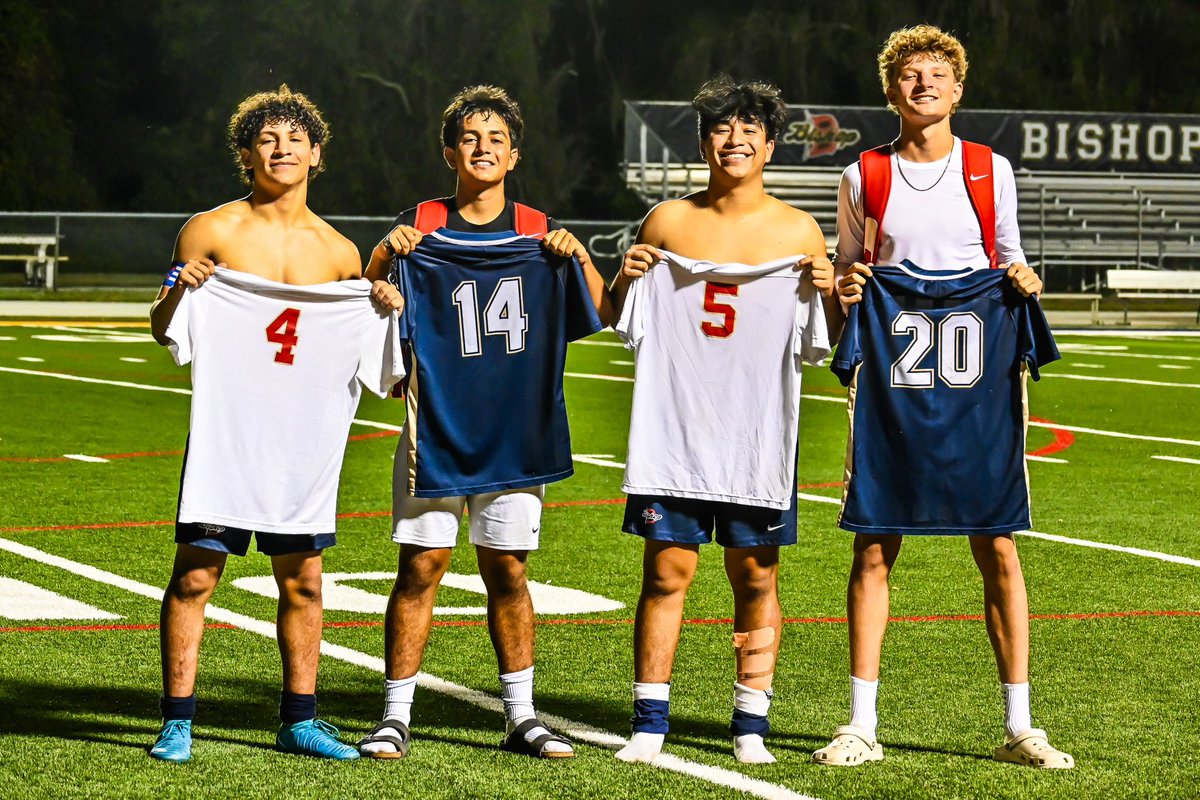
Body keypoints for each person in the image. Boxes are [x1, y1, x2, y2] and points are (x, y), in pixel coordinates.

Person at [810, 25, 1074, 769]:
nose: (922, 85)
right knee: (874, 542)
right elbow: (844, 283)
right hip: (895, 378)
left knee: (997, 545)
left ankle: (1021, 724)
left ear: (958, 89)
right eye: (908, 75)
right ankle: (861, 722)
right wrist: (846, 287)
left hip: (977, 379)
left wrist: (1025, 282)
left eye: (936, 75)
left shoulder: (991, 169)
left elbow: (1011, 261)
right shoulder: (865, 175)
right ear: (891, 90)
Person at [356, 85, 612, 760]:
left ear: (514, 153)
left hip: (514, 428)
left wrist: (578, 254)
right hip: (435, 424)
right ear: (450, 152)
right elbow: (368, 293)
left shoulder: (536, 227)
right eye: (471, 138)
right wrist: (385, 263)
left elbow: (599, 312)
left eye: (496, 139)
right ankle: (395, 714)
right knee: (421, 566)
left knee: (509, 571)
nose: (484, 148)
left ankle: (522, 716)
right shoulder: (421, 224)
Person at [148, 85, 396, 763]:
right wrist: (178, 291)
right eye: (267, 138)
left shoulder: (343, 254)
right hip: (230, 438)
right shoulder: (210, 230)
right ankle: (177, 720)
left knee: (305, 580)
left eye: (295, 138)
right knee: (196, 576)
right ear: (247, 153)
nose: (281, 149)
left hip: (301, 447)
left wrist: (380, 302)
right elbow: (166, 331)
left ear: (317, 152)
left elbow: (389, 377)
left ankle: (300, 719)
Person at [609, 75, 838, 765]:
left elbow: (827, 343)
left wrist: (830, 293)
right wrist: (626, 274)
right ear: (704, 140)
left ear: (770, 144)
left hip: (757, 438)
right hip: (674, 433)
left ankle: (750, 723)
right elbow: (621, 320)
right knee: (666, 572)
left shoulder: (799, 232)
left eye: (748, 129)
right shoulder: (667, 221)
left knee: (757, 577)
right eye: (721, 128)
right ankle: (650, 719)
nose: (734, 140)